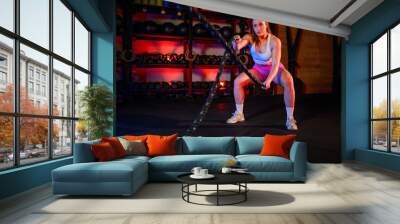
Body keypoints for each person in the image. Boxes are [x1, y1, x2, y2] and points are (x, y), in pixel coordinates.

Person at [226, 19, 298, 130]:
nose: (258, 28)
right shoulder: (249, 38)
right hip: (258, 70)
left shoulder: (275, 41)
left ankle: (290, 119)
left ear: (266, 24)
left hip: (275, 69)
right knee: (237, 82)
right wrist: (236, 42)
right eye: (255, 26)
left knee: (289, 80)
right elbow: (238, 48)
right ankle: (239, 114)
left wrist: (269, 80)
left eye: (260, 24)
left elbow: (275, 65)